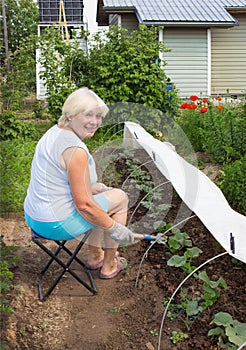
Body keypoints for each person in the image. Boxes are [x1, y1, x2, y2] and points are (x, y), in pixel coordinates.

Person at [24, 87, 135, 279]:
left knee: (97, 198)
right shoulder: (75, 150)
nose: (95, 122)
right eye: (88, 115)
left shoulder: (54, 132)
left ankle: (96, 255)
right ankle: (108, 265)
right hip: (55, 223)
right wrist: (114, 228)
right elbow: (84, 205)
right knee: (120, 199)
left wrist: (96, 188)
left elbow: (62, 182)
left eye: (98, 116)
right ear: (70, 115)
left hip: (34, 216)